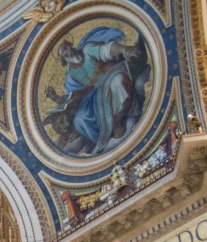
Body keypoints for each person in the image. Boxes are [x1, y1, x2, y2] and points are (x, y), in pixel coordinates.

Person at [43, 26, 149, 155]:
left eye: (66, 47)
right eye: (64, 53)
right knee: (80, 119)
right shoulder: (71, 75)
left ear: (71, 45)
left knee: (117, 82)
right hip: (94, 94)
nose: (67, 51)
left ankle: (117, 122)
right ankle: (103, 141)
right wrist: (54, 97)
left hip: (112, 74)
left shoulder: (87, 50)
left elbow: (107, 50)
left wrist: (123, 49)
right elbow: (70, 96)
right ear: (63, 60)